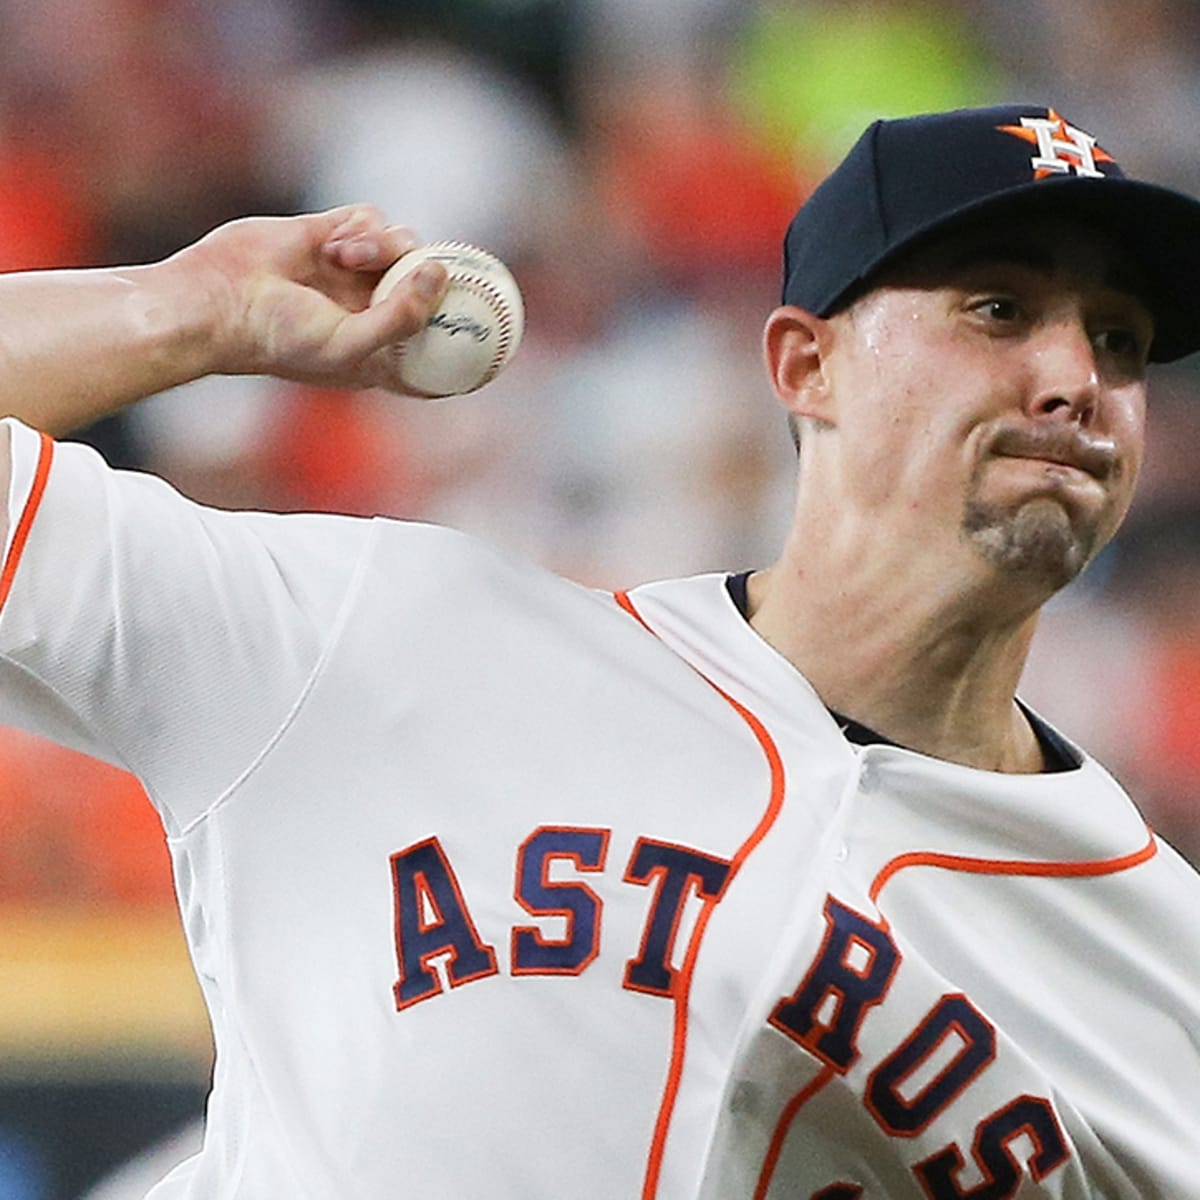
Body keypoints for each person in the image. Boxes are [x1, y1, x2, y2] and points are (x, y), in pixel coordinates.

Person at [1, 105, 1199, 1198]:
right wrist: (186, 314)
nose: (1076, 380)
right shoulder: (389, 640)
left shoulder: (1166, 972)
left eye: (1122, 340)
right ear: (805, 363)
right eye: (999, 310)